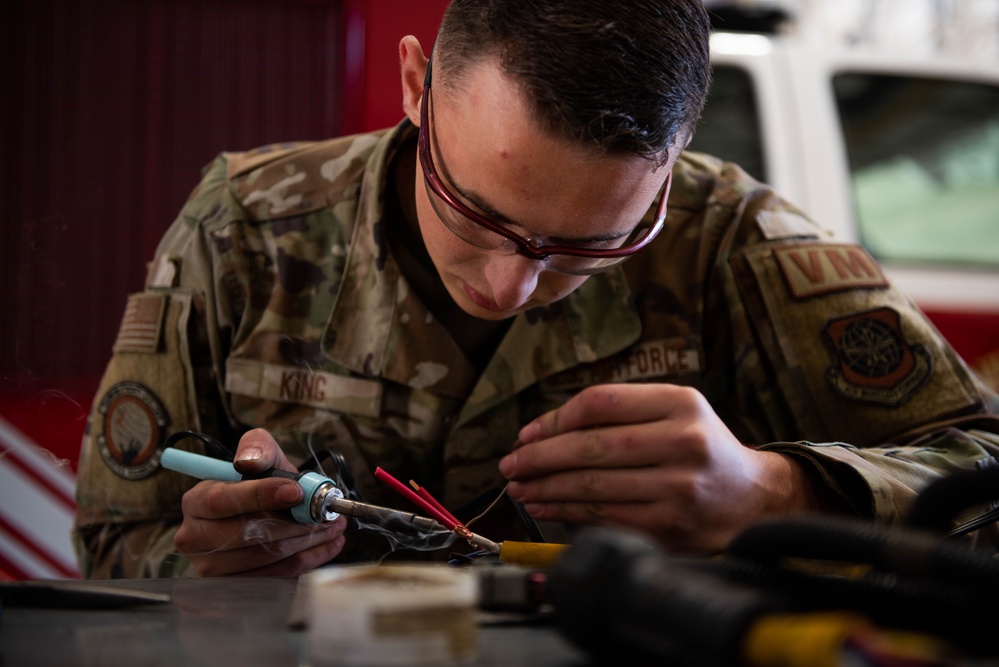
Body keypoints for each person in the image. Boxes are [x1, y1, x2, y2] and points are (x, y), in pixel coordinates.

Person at [73, 0, 999, 579]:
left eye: (589, 246)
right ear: (413, 86)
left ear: (672, 167)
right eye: (472, 213)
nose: (510, 284)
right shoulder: (244, 223)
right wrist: (211, 559)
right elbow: (113, 539)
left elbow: (983, 478)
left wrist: (773, 491)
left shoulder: (733, 240)